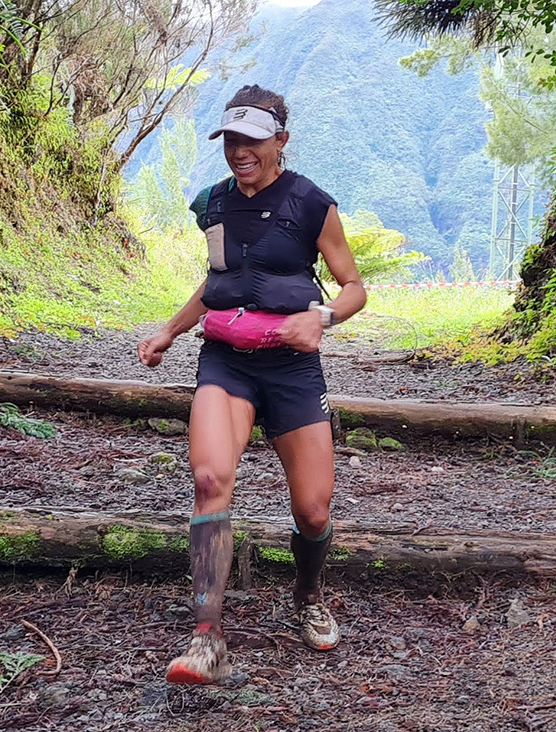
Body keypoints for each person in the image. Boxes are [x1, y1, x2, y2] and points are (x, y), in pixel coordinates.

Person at [136, 85, 366, 684]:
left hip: (291, 371)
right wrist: (168, 332)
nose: (240, 152)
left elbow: (353, 288)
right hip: (226, 363)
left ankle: (308, 597)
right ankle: (206, 638)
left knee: (314, 511)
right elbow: (217, 282)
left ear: (280, 142)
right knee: (210, 479)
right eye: (231, 140)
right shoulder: (212, 205)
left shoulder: (313, 204)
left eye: (252, 141)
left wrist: (322, 318)